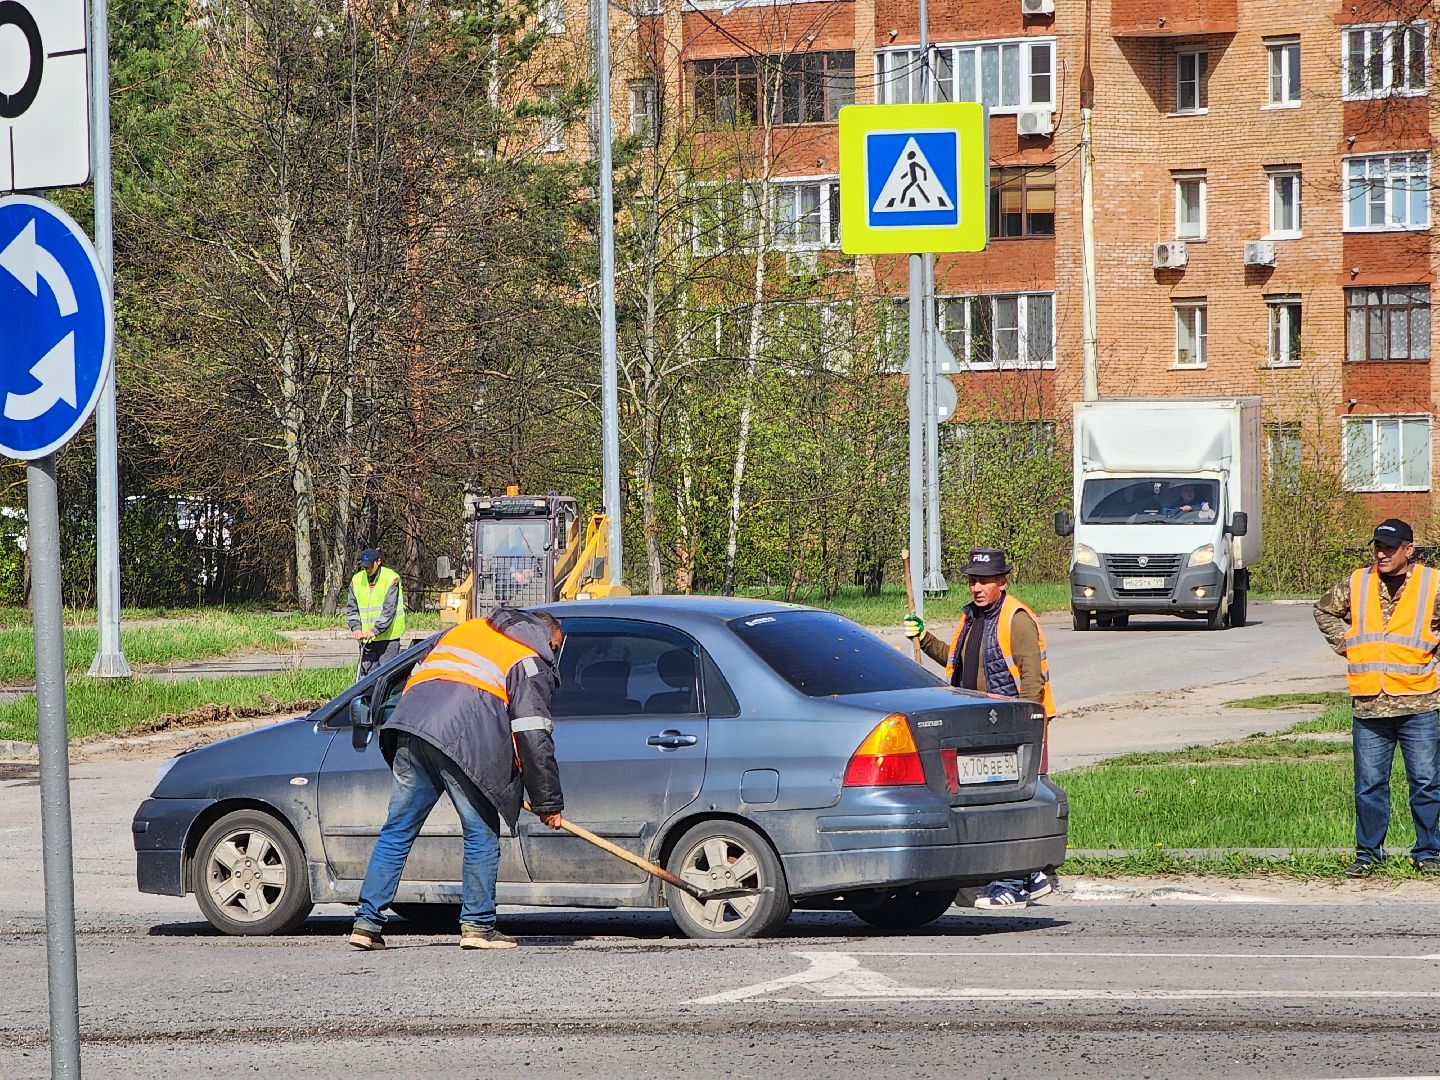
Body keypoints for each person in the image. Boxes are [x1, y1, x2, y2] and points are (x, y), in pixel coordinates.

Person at [349, 607, 567, 951]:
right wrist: (548, 803)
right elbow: (532, 734)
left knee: (397, 830)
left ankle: (366, 923)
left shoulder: (468, 630)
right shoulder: (527, 658)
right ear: (547, 636)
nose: (553, 655)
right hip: (462, 739)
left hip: (411, 729)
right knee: (481, 833)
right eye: (556, 647)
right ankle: (478, 926)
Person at [903, 547, 1058, 907]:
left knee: (1014, 803)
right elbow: (957, 662)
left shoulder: (1016, 619)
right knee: (992, 803)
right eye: (973, 580)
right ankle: (1031, 876)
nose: (977, 587)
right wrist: (924, 639)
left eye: (985, 581)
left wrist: (1024, 727)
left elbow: (1032, 680)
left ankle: (1012, 881)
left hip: (1013, 728)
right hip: (981, 726)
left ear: (1002, 582)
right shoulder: (971, 618)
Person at [1313, 518, 1440, 877]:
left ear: (1408, 549)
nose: (1382, 554)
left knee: (1426, 784)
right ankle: (1368, 855)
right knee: (1369, 786)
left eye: (1389, 548)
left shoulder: (1432, 583)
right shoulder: (1358, 582)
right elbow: (1323, 609)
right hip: (1369, 704)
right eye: (1378, 547)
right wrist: (1346, 644)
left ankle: (1429, 852)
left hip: (1419, 702)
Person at [347, 549, 406, 676]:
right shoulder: (356, 580)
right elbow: (352, 608)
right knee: (367, 679)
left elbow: (389, 609)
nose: (367, 569)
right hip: (367, 640)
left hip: (388, 639)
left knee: (387, 677)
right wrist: (356, 628)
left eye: (369, 566)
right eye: (364, 566)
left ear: (378, 562)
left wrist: (375, 630)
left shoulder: (391, 578)